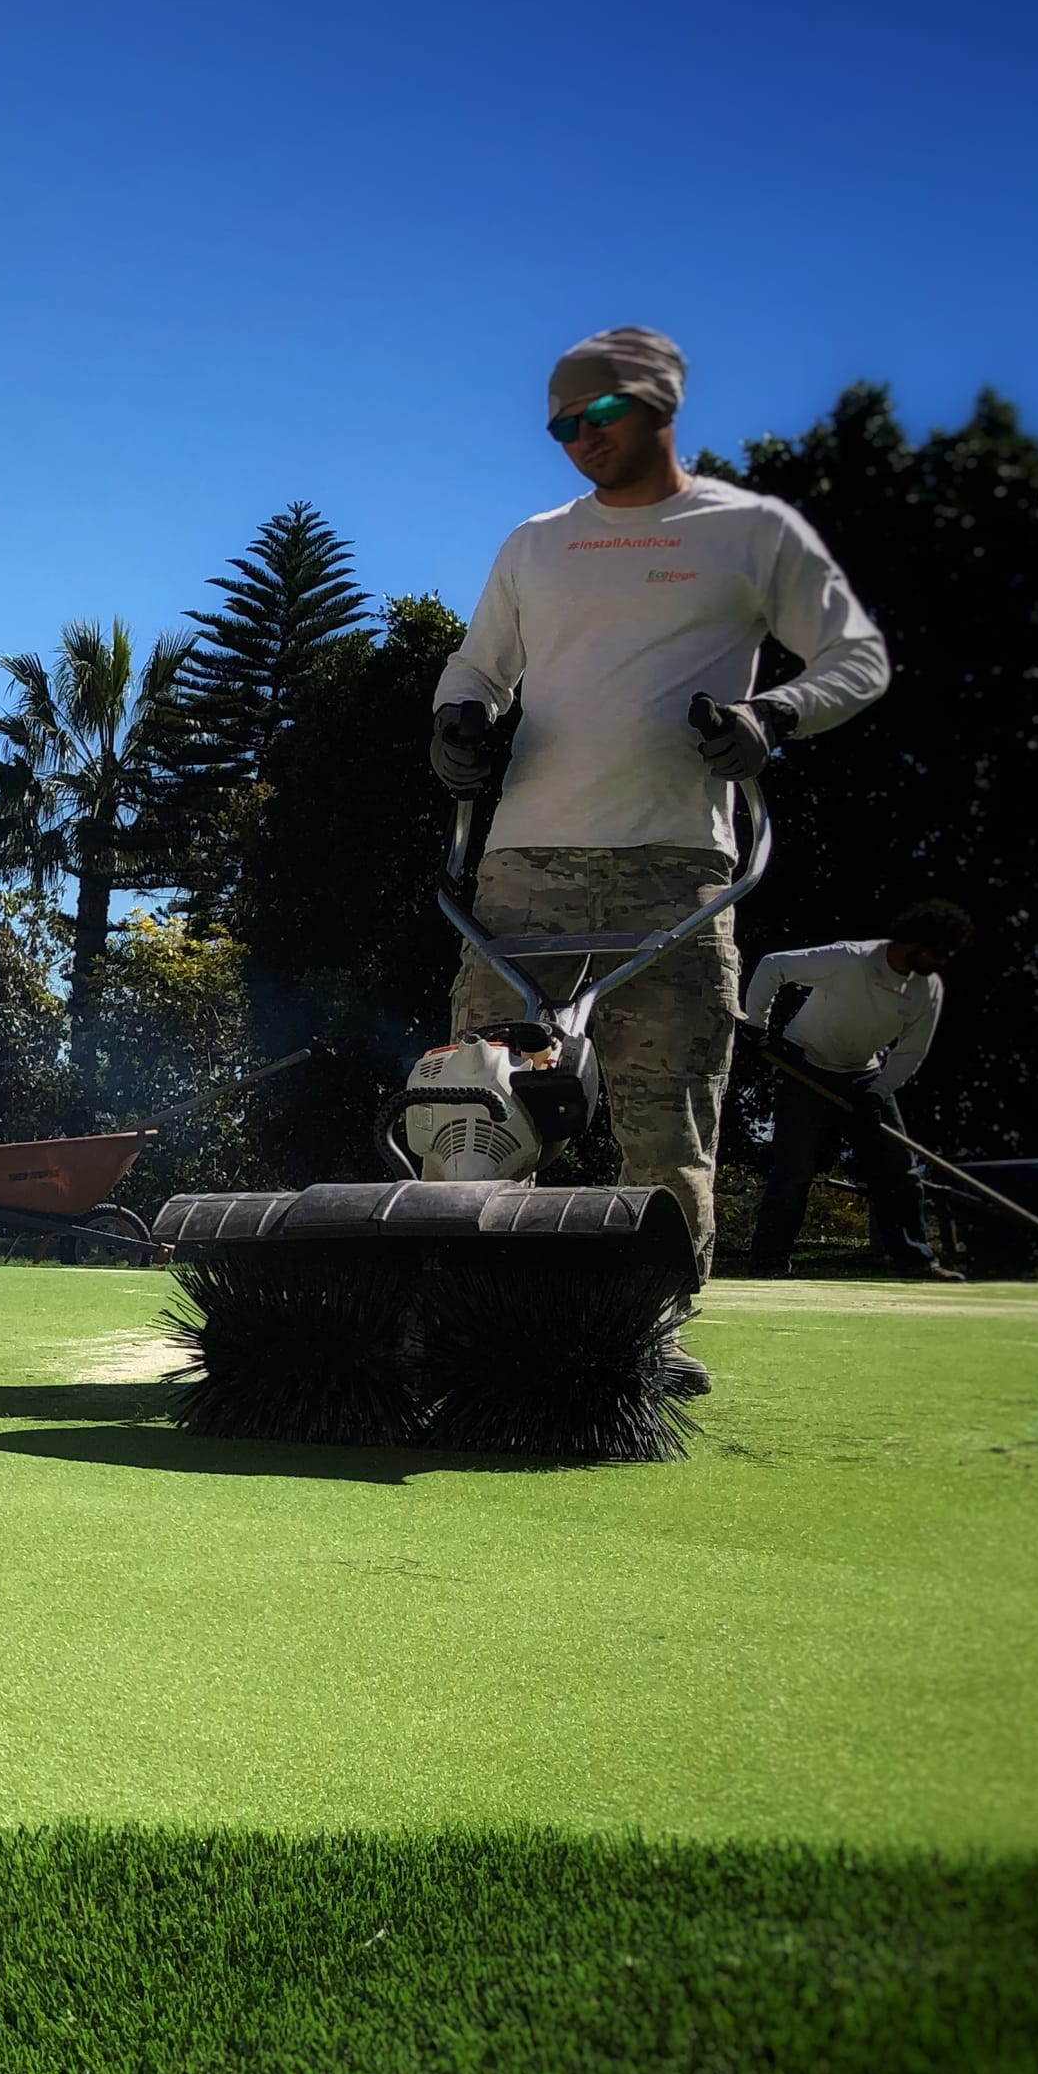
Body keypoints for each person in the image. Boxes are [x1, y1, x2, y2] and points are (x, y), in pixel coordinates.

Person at [428, 325, 892, 1372]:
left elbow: (855, 659)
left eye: (593, 417)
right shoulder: (533, 543)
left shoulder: (746, 531)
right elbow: (474, 669)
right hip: (522, 868)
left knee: (665, 1119)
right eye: (557, 426)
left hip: (676, 870)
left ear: (653, 408)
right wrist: (456, 724)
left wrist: (772, 714)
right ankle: (475, 1326)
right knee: (477, 1103)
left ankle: (646, 1335)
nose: (574, 440)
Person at [735, 899, 972, 1279]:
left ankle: (915, 1260)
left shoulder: (927, 989)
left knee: (900, 1170)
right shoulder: (850, 958)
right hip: (805, 1069)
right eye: (939, 952)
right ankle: (768, 1263)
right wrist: (757, 1027)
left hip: (865, 1078)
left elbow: (910, 1052)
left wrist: (878, 1092)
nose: (941, 962)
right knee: (793, 1172)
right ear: (916, 942)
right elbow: (774, 966)